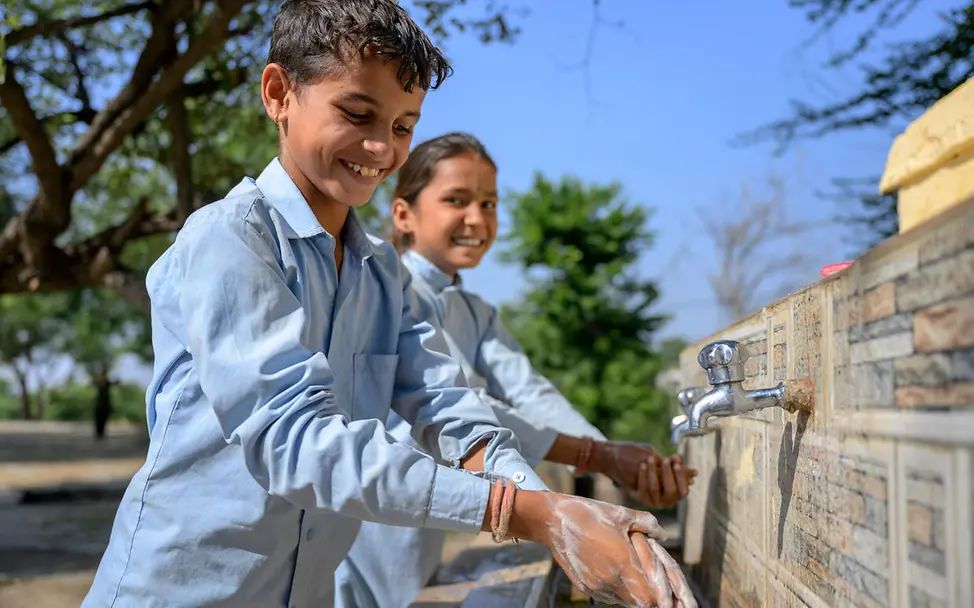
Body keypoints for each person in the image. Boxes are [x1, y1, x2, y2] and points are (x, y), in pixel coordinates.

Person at [82, 3, 694, 607]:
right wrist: (531, 513)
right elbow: (293, 440)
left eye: (404, 126)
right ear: (278, 94)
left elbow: (453, 411)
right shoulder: (229, 239)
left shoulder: (382, 275)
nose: (381, 147)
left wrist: (564, 517)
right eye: (357, 113)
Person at [334, 132, 698, 608]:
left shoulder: (474, 311)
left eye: (488, 203)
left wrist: (614, 460)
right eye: (456, 200)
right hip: (368, 527)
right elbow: (468, 406)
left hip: (418, 536)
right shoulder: (392, 291)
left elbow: (531, 394)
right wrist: (597, 464)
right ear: (403, 214)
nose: (476, 218)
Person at [92, 368, 114, 441]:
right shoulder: (99, 383)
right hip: (99, 405)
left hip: (105, 405)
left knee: (104, 419)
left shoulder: (107, 383)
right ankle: (98, 433)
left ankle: (101, 433)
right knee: (98, 419)